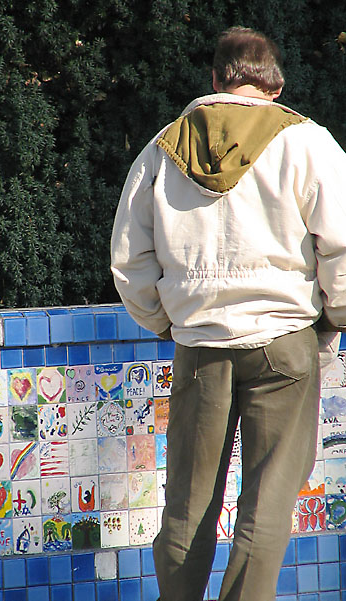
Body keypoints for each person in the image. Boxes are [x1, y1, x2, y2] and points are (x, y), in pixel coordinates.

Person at [110, 26, 346, 601]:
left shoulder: (163, 147)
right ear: (275, 83)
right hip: (285, 343)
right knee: (265, 509)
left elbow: (128, 258)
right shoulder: (309, 143)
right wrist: (334, 317)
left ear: (216, 80)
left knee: (188, 507)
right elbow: (341, 245)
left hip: (200, 347)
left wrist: (171, 322)